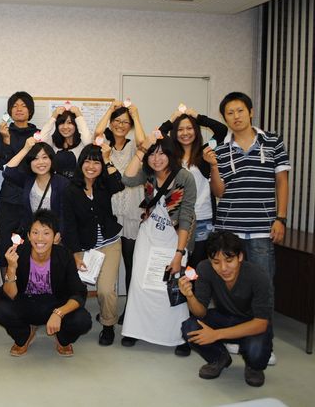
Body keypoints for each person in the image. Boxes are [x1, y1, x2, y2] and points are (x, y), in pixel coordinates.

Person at [120, 134, 197, 355]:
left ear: (171, 155)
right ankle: (135, 330)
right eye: (152, 154)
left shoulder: (185, 177)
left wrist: (179, 253)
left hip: (175, 237)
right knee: (140, 283)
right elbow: (127, 179)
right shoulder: (148, 173)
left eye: (162, 153)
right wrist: (142, 150)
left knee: (171, 286)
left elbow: (186, 216)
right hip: (149, 234)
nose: (157, 159)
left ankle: (180, 335)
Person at [209, 92, 290, 279]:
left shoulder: (273, 142)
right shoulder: (220, 150)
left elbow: (282, 182)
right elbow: (218, 192)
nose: (236, 116)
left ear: (251, 112)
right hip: (228, 229)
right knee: (229, 283)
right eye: (230, 113)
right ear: (225, 118)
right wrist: (213, 166)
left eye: (240, 111)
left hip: (262, 229)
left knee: (262, 283)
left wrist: (281, 219)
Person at [180, 231, 273, 387]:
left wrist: (216, 334)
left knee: (256, 351)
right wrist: (190, 296)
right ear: (210, 259)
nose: (223, 268)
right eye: (216, 262)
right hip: (224, 317)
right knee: (190, 328)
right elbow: (200, 312)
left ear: (240, 256)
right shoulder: (205, 269)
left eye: (229, 260)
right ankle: (219, 358)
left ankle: (254, 367)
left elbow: (261, 323)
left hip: (251, 324)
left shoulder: (258, 276)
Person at [0, 210, 92, 357]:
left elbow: (79, 293)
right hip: (27, 303)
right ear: (28, 235)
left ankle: (62, 339)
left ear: (56, 237)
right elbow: (11, 295)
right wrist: (12, 268)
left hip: (56, 304)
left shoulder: (64, 255)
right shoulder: (19, 253)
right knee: (0, 309)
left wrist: (59, 313)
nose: (40, 238)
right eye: (35, 232)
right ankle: (25, 335)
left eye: (46, 233)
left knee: (82, 320)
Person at [62, 143, 125, 346]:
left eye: (96, 162)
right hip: (84, 247)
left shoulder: (105, 184)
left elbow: (119, 184)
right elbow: (69, 225)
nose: (91, 166)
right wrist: (75, 254)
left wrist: (107, 159)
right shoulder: (70, 190)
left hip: (110, 244)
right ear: (81, 163)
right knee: (75, 288)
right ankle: (71, 321)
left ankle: (108, 325)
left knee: (105, 290)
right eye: (87, 161)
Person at [94, 101, 146, 320]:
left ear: (131, 126)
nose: (120, 125)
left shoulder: (135, 146)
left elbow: (143, 142)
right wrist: (109, 110)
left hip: (132, 211)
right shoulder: (104, 145)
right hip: (110, 211)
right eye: (117, 121)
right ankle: (109, 309)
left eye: (126, 122)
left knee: (131, 262)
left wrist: (136, 115)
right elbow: (97, 133)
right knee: (108, 264)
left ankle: (130, 310)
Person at [158, 106, 227, 266]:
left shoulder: (205, 152)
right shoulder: (170, 155)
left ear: (196, 130)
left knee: (196, 268)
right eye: (180, 129)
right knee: (175, 266)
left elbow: (221, 130)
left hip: (202, 218)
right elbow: (157, 136)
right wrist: (172, 119)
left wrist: (196, 116)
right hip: (176, 221)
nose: (185, 133)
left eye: (189, 128)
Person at [0, 91, 38, 267]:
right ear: (9, 111)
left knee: (30, 246)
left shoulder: (37, 134)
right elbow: (2, 165)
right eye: (15, 106)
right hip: (9, 198)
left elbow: (40, 164)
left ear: (30, 110)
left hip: (32, 196)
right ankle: (8, 283)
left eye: (23, 105)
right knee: (4, 246)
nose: (19, 109)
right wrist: (6, 140)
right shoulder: (2, 132)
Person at [3, 139, 70, 235]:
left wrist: (59, 233)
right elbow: (8, 172)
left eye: (45, 157)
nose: (40, 162)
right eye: (35, 158)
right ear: (30, 162)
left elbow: (66, 214)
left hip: (55, 235)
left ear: (51, 160)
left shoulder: (63, 183)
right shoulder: (28, 180)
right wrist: (26, 149)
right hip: (33, 234)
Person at [38, 105, 92, 178]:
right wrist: (54, 115)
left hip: (77, 183)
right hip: (56, 182)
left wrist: (78, 114)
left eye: (69, 123)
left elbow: (88, 140)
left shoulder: (82, 143)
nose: (65, 127)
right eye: (61, 123)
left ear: (76, 125)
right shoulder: (53, 143)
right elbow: (41, 138)